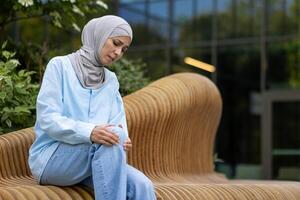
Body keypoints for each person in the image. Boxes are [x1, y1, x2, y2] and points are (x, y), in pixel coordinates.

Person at [28, 15, 156, 200]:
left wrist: (124, 139)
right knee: (112, 139)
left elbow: (118, 125)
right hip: (52, 159)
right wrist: (90, 132)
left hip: (96, 158)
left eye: (124, 49)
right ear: (99, 35)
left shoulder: (110, 80)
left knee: (142, 186)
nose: (118, 52)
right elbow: (48, 119)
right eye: (116, 43)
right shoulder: (60, 66)